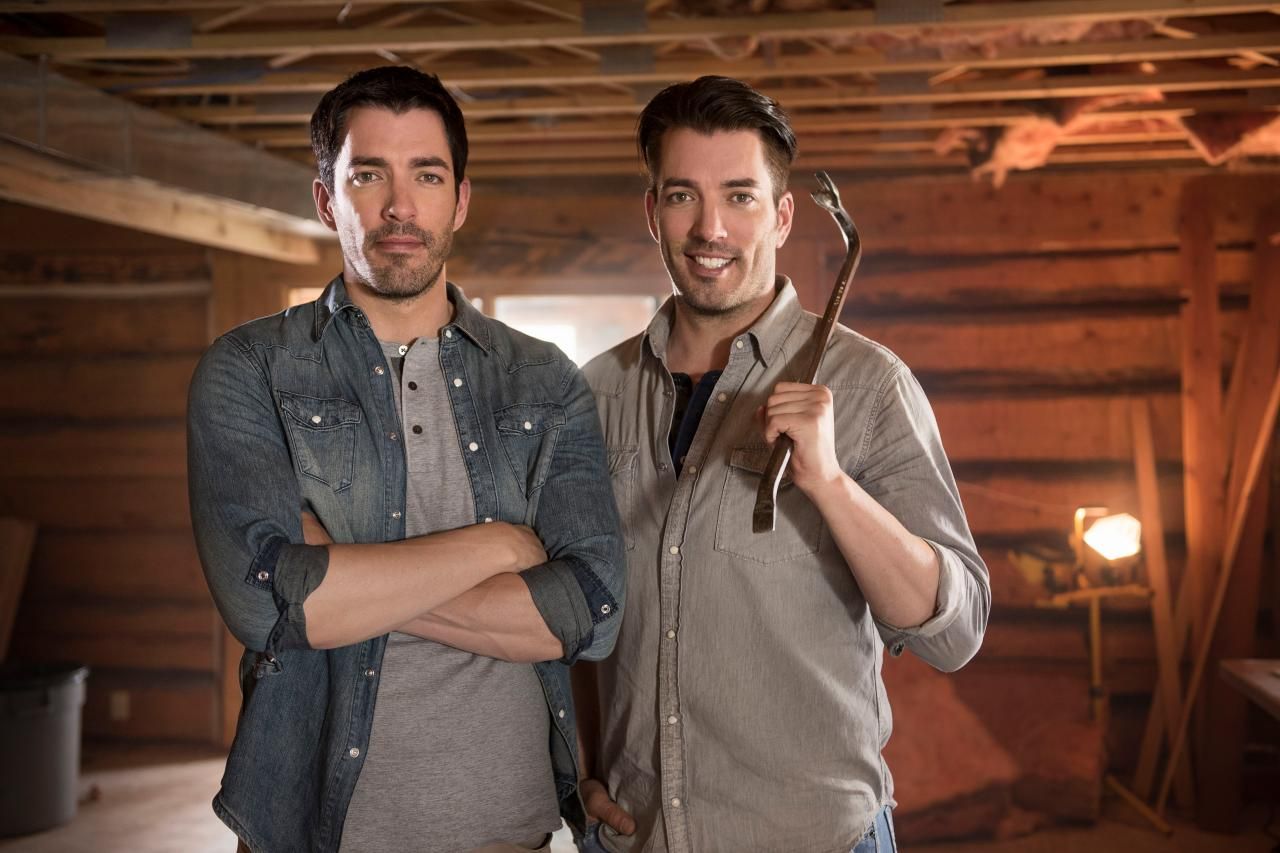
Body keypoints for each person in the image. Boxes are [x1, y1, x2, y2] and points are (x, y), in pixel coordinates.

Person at [187, 66, 625, 853]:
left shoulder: (544, 379)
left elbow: (591, 611)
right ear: (327, 200)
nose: (400, 205)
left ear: (460, 199)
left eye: (427, 174)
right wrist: (497, 546)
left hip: (509, 834)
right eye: (368, 175)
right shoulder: (251, 368)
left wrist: (341, 575)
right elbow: (266, 607)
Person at [574, 76, 990, 853]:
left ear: (784, 215)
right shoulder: (596, 392)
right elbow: (578, 614)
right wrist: (581, 769)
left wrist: (830, 485)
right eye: (683, 196)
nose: (710, 228)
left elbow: (955, 631)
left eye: (740, 196)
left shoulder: (870, 385)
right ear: (653, 211)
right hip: (637, 838)